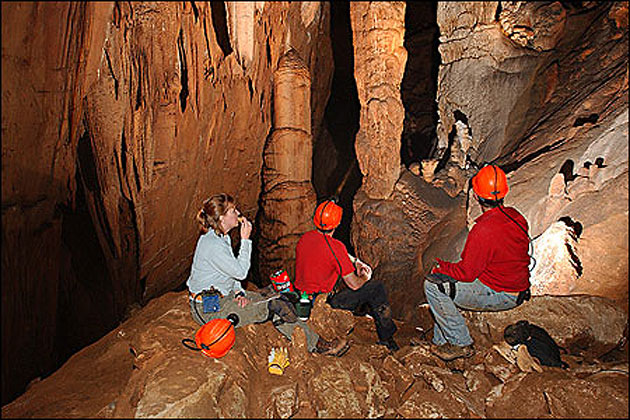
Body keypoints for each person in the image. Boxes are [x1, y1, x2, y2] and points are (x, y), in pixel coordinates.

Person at [186, 193, 349, 357]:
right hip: (210, 309)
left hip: (223, 298)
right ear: (222, 218)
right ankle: (318, 345)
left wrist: (238, 292)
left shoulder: (220, 237)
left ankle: (304, 334)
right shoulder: (213, 245)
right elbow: (241, 272)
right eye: (233, 211)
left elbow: (230, 272)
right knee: (277, 306)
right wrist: (245, 240)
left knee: (281, 294)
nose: (238, 213)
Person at [423, 165, 532, 361]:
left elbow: (467, 273)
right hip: (518, 287)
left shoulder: (483, 230)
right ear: (504, 193)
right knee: (442, 281)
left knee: (434, 286)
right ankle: (439, 342)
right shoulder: (517, 217)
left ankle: (460, 343)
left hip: (501, 293)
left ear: (476, 196)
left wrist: (441, 267)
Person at [294, 199, 399, 351]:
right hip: (323, 305)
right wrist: (365, 276)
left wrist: (355, 261)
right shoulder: (336, 247)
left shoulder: (305, 238)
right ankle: (387, 339)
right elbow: (354, 284)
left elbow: (329, 252)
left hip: (300, 299)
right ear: (337, 224)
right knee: (376, 288)